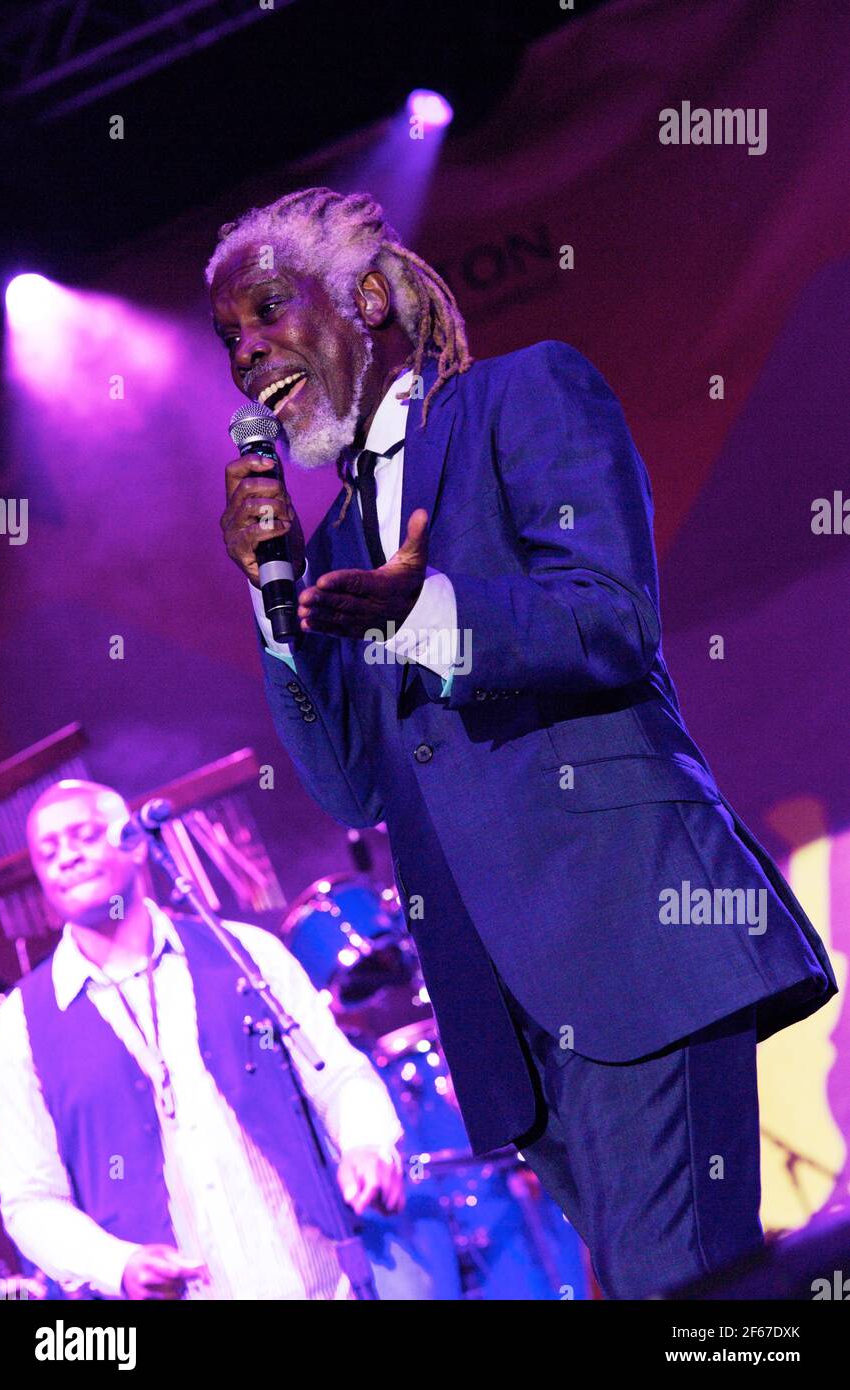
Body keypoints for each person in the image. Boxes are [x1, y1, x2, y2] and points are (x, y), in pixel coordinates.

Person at [209, 187, 836, 1298]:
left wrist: (424, 612)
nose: (246, 351)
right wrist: (274, 603)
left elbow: (609, 618)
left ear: (364, 298)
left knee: (681, 1293)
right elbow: (351, 786)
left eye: (266, 310)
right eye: (228, 339)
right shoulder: (340, 537)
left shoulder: (522, 394)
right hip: (505, 1007)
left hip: (632, 935)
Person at [0, 779, 403, 1300]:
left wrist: (367, 1144)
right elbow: (29, 1199)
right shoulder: (18, 1029)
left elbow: (339, 1076)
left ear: (135, 842)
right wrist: (116, 1264)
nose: (66, 857)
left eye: (84, 836)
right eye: (48, 852)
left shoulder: (246, 953)